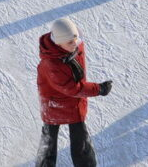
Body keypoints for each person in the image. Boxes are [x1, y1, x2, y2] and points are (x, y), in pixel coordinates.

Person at [35, 17, 111, 167]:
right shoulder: (51, 64)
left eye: (75, 38)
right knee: (49, 140)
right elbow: (72, 88)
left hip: (74, 103)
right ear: (58, 42)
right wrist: (99, 89)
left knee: (81, 140)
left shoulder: (73, 45)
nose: (75, 43)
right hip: (53, 103)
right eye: (70, 42)